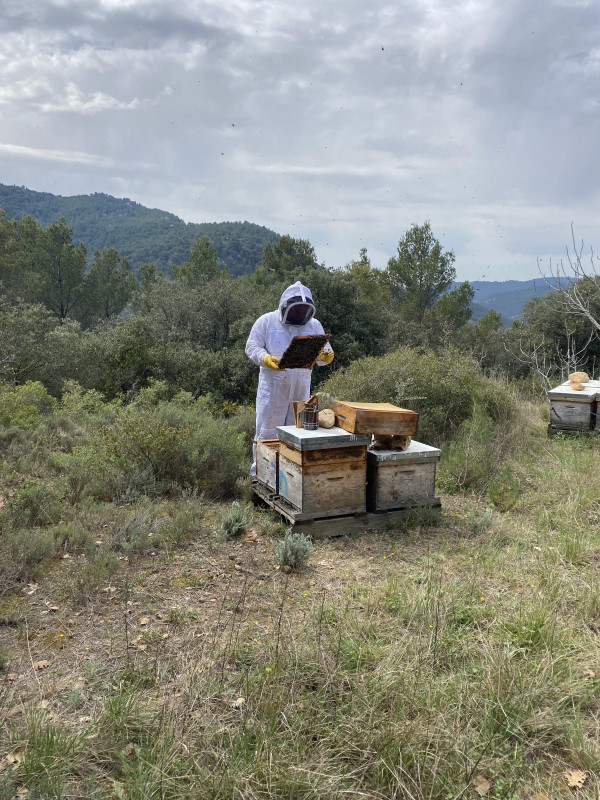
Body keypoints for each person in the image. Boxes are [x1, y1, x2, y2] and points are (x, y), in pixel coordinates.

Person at [245, 280, 334, 475]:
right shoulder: (266, 321)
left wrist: (326, 356)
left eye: (304, 311)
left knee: (296, 432)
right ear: (285, 306)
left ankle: (289, 478)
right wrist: (266, 358)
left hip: (301, 389)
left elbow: (324, 354)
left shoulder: (314, 325)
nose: (300, 315)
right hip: (273, 389)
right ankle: (261, 476)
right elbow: (251, 346)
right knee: (267, 432)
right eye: (297, 310)